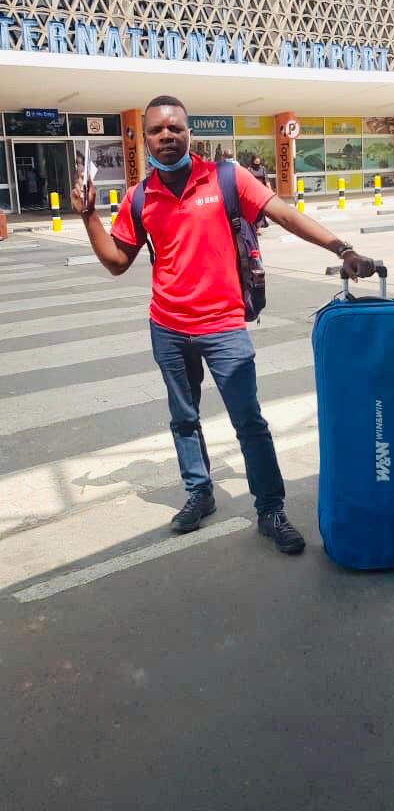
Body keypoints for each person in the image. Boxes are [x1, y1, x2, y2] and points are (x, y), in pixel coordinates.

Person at [71, 96, 375, 556]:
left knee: (249, 422)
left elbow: (284, 214)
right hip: (168, 327)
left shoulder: (226, 177)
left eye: (175, 128)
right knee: (184, 419)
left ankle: (271, 509)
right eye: (156, 130)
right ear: (145, 138)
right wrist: (88, 215)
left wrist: (342, 248)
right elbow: (117, 262)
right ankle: (200, 493)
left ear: (188, 133)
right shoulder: (140, 197)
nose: (166, 136)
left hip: (224, 326)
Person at [248, 154, 270, 232]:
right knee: (255, 209)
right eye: (256, 160)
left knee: (261, 209)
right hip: (253, 192)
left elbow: (266, 180)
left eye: (258, 160)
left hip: (261, 191)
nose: (257, 161)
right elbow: (247, 181)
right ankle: (255, 226)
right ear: (253, 160)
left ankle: (258, 227)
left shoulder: (262, 169)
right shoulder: (249, 169)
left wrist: (270, 190)